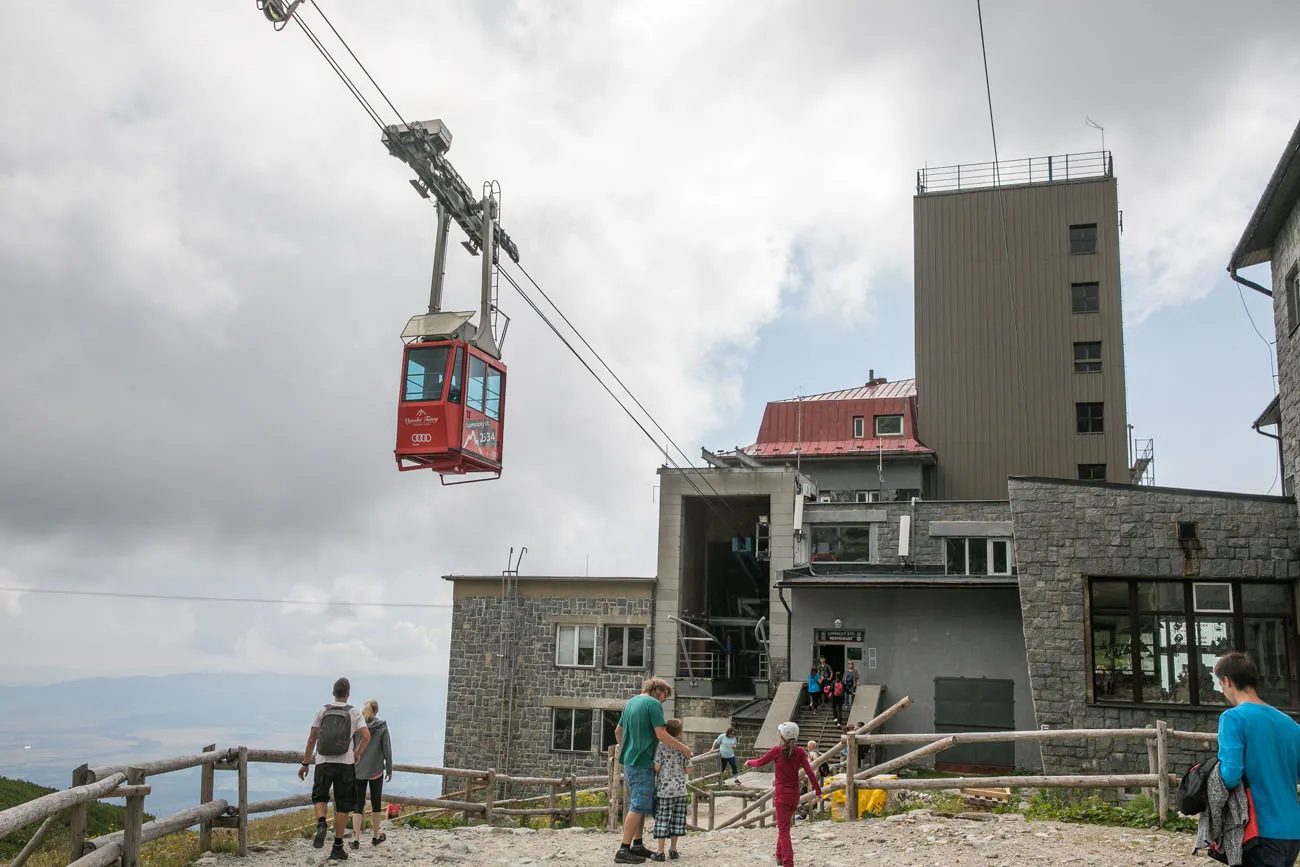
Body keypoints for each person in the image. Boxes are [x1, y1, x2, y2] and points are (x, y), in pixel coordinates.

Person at [1214, 652, 1300, 866]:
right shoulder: (1290, 724)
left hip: (1259, 828)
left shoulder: (1233, 718)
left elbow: (1230, 775)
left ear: (1227, 681)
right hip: (1291, 830)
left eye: (1220, 684)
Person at [614, 677, 693, 864]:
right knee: (637, 805)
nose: (664, 701)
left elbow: (618, 731)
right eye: (665, 697)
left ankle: (638, 844)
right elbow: (661, 734)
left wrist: (627, 749)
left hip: (629, 761)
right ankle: (623, 849)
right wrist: (683, 748)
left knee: (639, 804)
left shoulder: (631, 702)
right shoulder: (652, 703)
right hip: (642, 762)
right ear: (658, 690)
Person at [299, 677, 369, 861]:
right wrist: (356, 752)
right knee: (343, 805)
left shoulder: (322, 710)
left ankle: (321, 823)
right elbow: (366, 736)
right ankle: (337, 846)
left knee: (320, 796)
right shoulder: (354, 712)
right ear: (348, 694)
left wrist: (306, 763)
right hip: (345, 764)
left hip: (323, 762)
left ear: (333, 693)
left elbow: (312, 739)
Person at [747, 722, 823, 867]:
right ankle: (779, 856)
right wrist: (818, 791)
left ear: (782, 735)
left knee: (783, 831)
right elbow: (810, 772)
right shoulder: (800, 751)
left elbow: (760, 762)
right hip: (794, 795)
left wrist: (748, 762)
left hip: (782, 795)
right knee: (784, 826)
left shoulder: (777, 750)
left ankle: (788, 863)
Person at [349, 699, 393, 849]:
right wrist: (389, 768)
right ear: (377, 711)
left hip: (359, 769)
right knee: (376, 803)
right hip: (376, 770)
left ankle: (356, 839)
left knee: (358, 804)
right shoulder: (381, 726)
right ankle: (375, 836)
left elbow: (352, 746)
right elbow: (387, 749)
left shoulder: (357, 726)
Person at [651, 719, 690, 862]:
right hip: (680, 789)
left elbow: (656, 767)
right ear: (679, 732)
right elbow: (688, 769)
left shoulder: (661, 745)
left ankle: (660, 852)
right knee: (677, 820)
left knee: (662, 819)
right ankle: (673, 849)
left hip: (665, 790)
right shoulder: (683, 748)